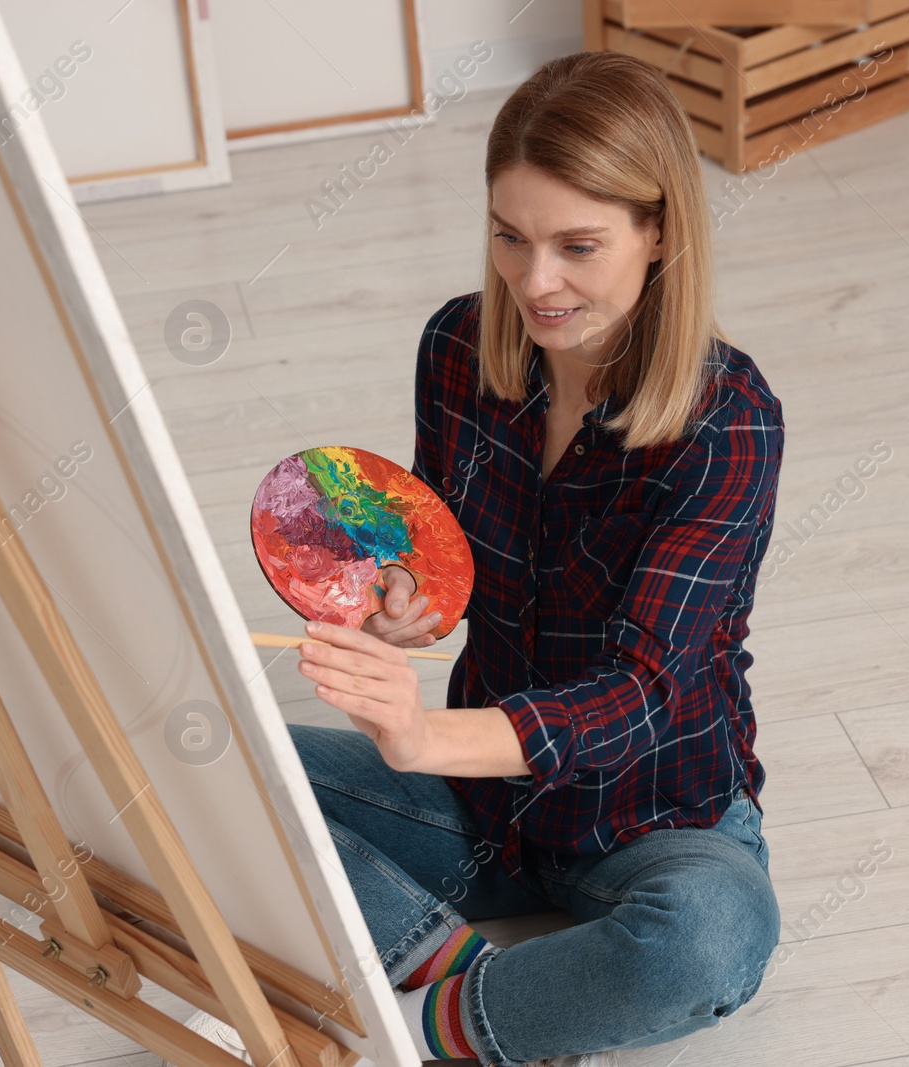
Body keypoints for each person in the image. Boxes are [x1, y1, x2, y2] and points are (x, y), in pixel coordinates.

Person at [180, 49, 785, 1067]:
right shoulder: (457, 347)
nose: (533, 281)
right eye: (510, 237)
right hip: (483, 804)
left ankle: (417, 1029)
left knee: (712, 940)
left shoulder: (728, 424)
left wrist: (420, 738)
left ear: (660, 233)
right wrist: (410, 606)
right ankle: (476, 983)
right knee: (192, 764)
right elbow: (447, 558)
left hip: (655, 816)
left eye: (577, 246)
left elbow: (642, 693)